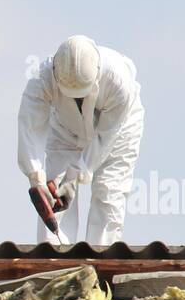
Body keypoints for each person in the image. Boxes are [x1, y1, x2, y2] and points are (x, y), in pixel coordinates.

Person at [18, 35, 144, 245]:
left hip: (119, 131)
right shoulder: (42, 78)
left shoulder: (119, 81)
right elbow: (29, 126)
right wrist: (36, 179)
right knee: (53, 190)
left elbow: (104, 138)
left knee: (108, 190)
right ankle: (53, 258)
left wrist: (76, 175)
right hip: (65, 129)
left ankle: (101, 259)